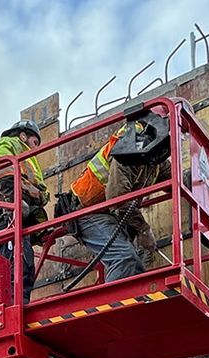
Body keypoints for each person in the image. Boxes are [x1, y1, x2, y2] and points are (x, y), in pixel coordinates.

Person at [63, 108, 172, 283]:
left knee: (135, 264)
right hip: (87, 212)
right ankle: (112, 307)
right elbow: (117, 197)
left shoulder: (153, 159)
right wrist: (143, 229)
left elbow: (177, 179)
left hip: (108, 214)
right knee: (124, 259)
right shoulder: (128, 145)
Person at [0, 120, 48, 297]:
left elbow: (33, 188)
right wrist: (13, 204)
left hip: (14, 212)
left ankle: (18, 304)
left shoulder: (27, 157)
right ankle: (15, 307)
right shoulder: (9, 144)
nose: (36, 148)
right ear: (23, 135)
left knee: (23, 265)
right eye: (35, 142)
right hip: (4, 212)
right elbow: (4, 172)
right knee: (15, 267)